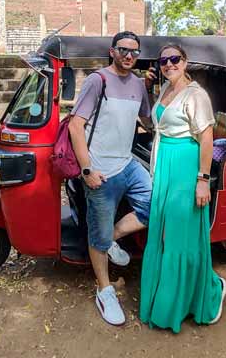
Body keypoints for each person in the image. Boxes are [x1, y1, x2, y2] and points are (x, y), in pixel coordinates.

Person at [140, 43, 226, 333]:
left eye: (174, 59)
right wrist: (144, 88)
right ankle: (165, 298)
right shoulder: (164, 90)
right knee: (163, 234)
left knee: (180, 236)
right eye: (163, 60)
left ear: (185, 61)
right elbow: (154, 124)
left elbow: (206, 138)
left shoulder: (196, 94)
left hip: (186, 167)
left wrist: (203, 180)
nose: (168, 64)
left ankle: (201, 294)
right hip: (164, 167)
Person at [69, 31, 154, 326]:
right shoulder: (98, 80)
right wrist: (87, 169)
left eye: (134, 51)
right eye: (123, 50)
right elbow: (75, 127)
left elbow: (147, 119)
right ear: (112, 51)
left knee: (155, 204)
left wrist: (156, 89)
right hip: (100, 171)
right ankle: (104, 289)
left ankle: (114, 239)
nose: (129, 55)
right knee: (97, 234)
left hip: (127, 164)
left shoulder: (138, 85)